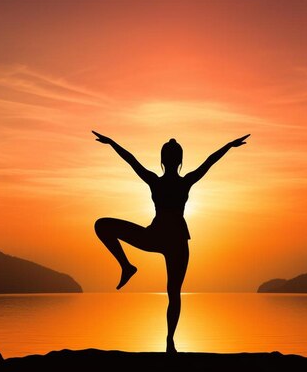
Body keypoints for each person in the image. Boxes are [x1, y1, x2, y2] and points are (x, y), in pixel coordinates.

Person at [93, 131, 250, 353]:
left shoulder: (156, 181)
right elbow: (209, 162)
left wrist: (112, 143)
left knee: (102, 225)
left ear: (163, 160)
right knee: (173, 293)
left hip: (159, 237)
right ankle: (169, 341)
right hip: (170, 238)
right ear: (179, 161)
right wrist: (228, 145)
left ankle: (168, 339)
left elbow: (131, 160)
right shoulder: (184, 182)